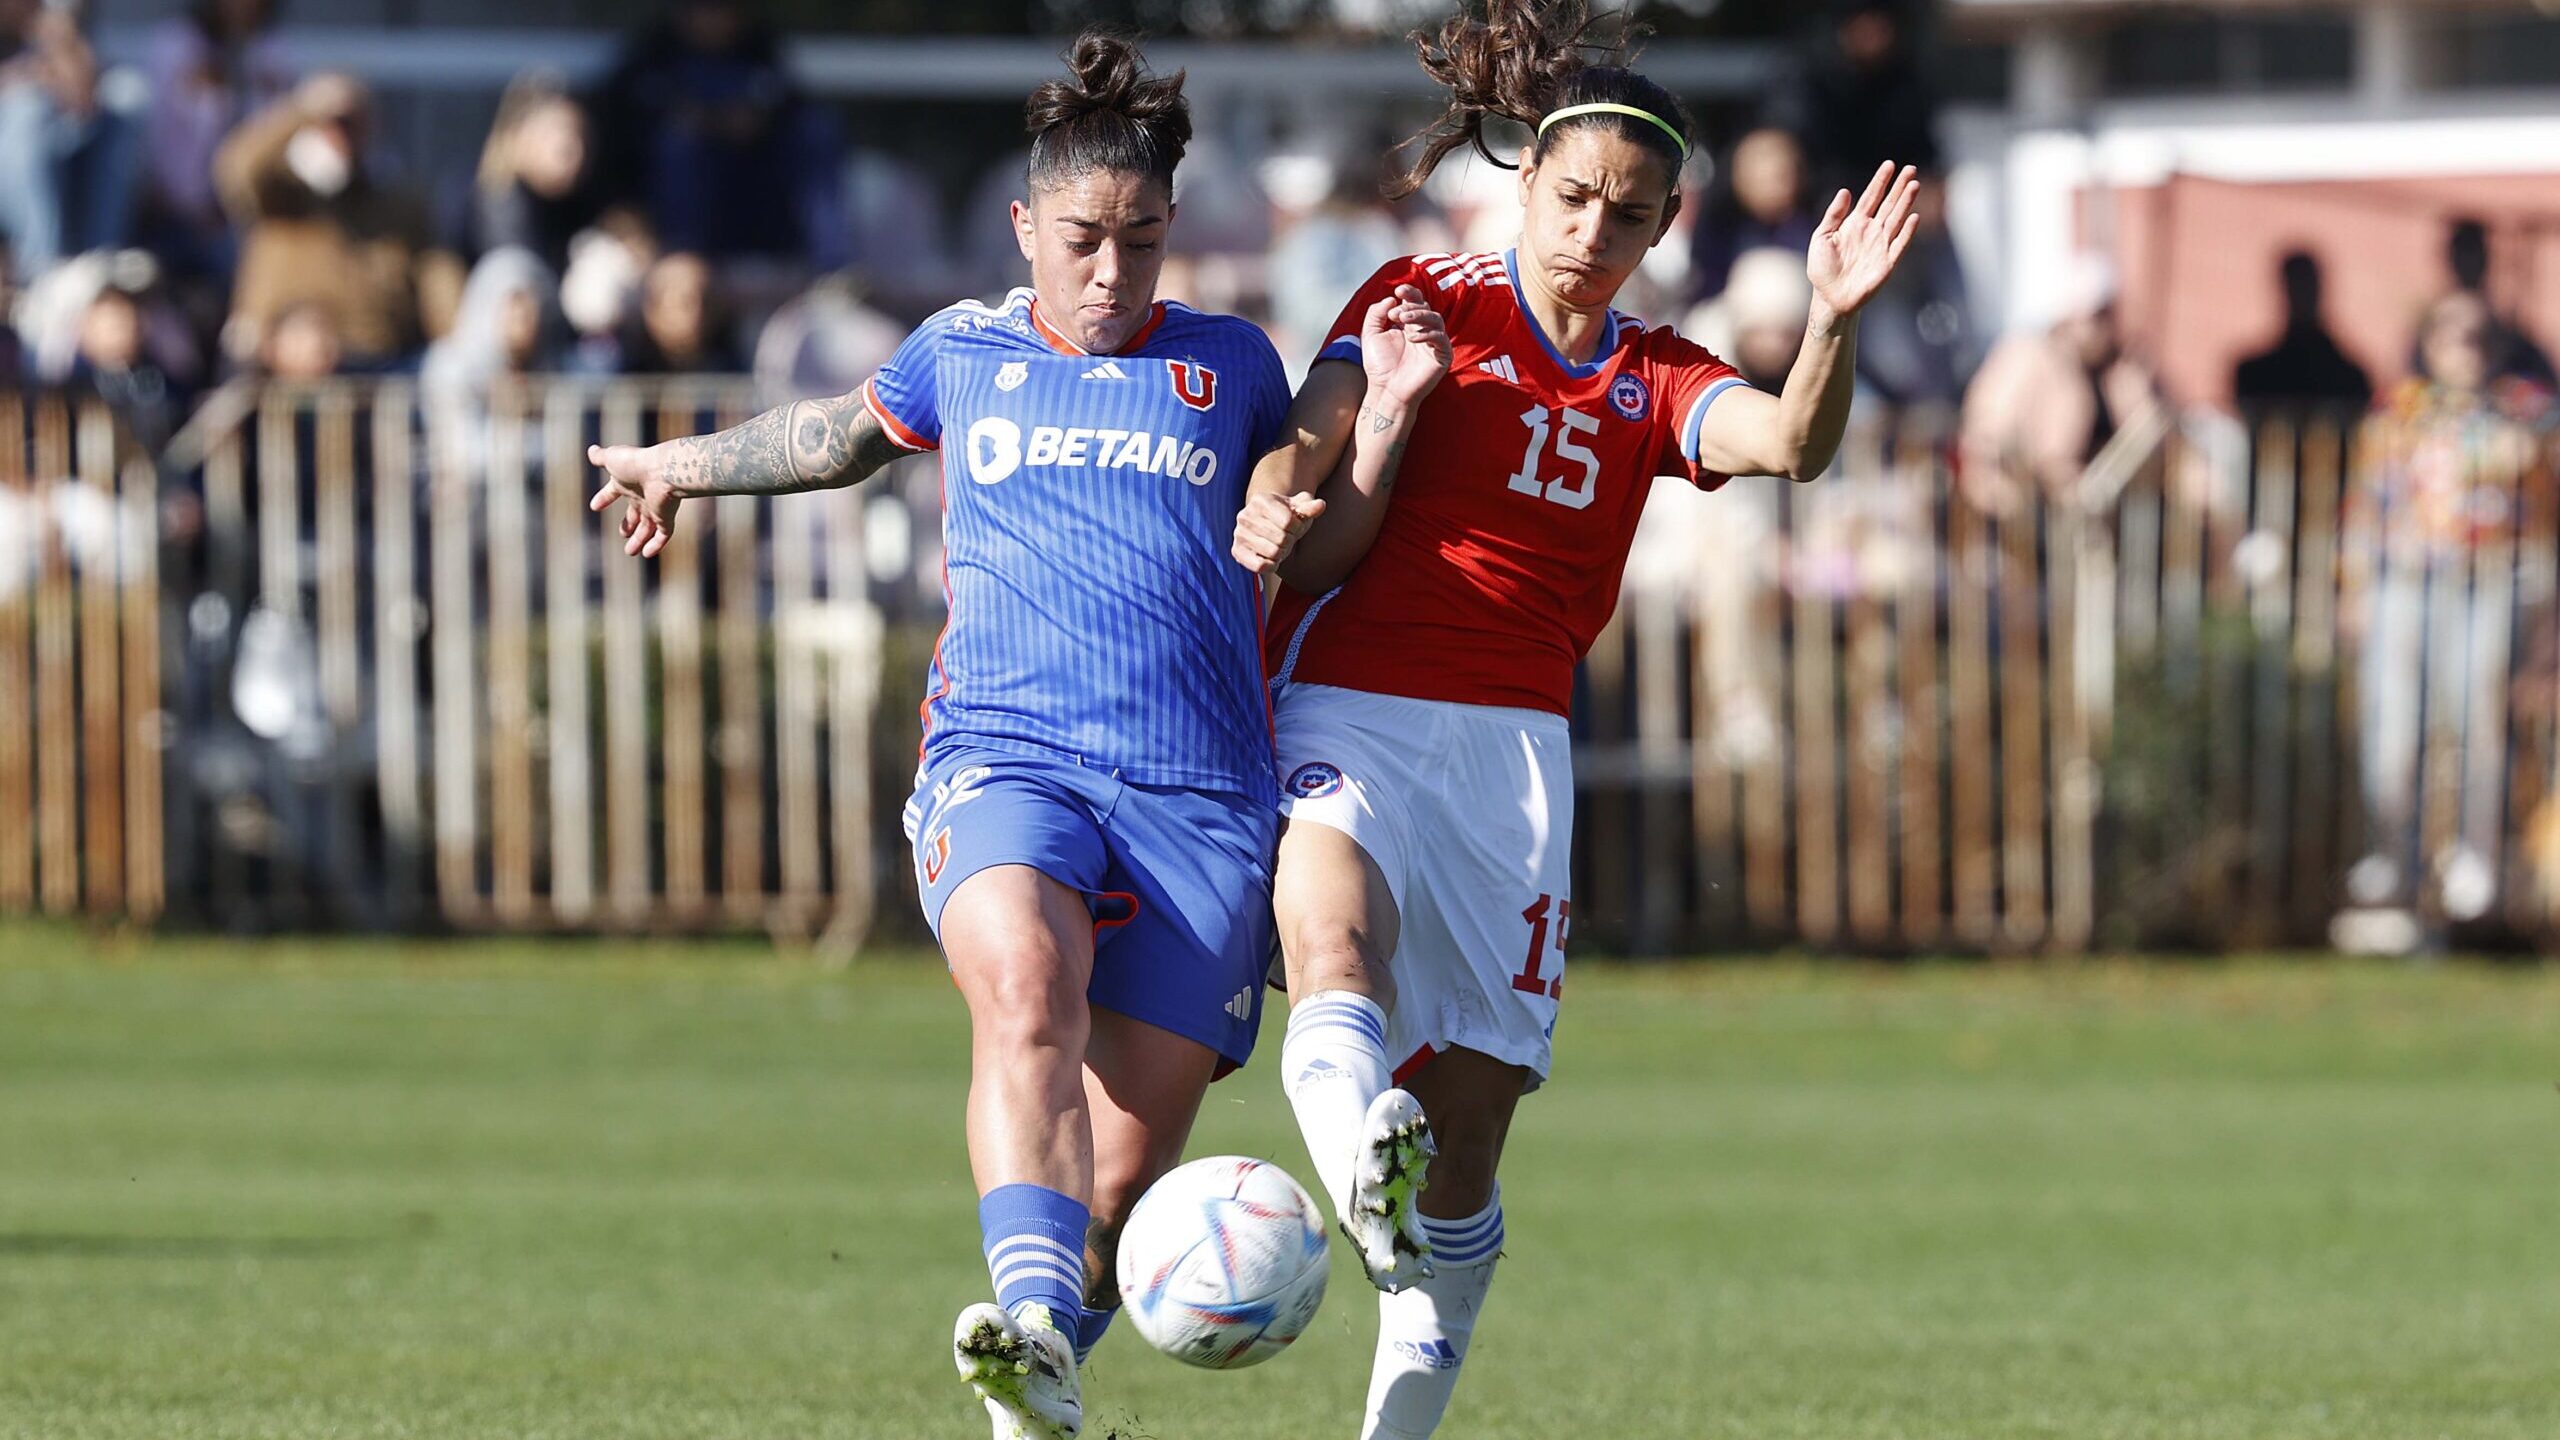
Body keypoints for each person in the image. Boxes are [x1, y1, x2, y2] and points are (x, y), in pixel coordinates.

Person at [586, 34, 1352, 1440]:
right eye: (1082, 241)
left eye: (1141, 240)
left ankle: (1037, 1376)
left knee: (1118, 1193)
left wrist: (1347, 434)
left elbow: (1321, 475)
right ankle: (1029, 1329)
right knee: (1022, 992)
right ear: (1023, 230)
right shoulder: (966, 352)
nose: (1113, 273)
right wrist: (678, 466)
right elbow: (829, 439)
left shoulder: (1235, 364)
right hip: (1007, 762)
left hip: (1203, 798)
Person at [1228, 3, 1916, 1436]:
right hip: (1349, 704)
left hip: (1511, 759)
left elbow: (1791, 442)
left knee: (1472, 1136)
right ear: (1525, 183)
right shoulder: (1423, 296)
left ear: (1662, 233)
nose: (1594, 232)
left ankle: (1395, 1388)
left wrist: (1836, 321)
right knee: (1330, 944)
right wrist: (1284, 481)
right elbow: (1317, 415)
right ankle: (1364, 1167)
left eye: (1630, 214)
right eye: (1575, 197)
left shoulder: (1655, 376)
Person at [215, 71, 462, 368]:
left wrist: (458, 340)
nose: (340, 136)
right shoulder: (282, 195)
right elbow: (235, 168)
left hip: (372, 366)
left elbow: (437, 276)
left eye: (351, 126)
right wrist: (304, 108)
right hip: (278, 369)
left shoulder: (396, 207)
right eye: (331, 125)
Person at [1958, 254, 2160, 516]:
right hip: (2026, 516)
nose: (2106, 328)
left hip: (2093, 518)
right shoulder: (2028, 358)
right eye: (2097, 316)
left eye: (2110, 316)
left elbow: (2150, 439)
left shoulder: (2119, 371)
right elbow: (1987, 435)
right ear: (2070, 315)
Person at [2232, 249, 2370, 415]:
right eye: (2298, 285)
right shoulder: (2351, 377)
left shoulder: (2253, 374)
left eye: (2304, 285)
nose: (2302, 294)